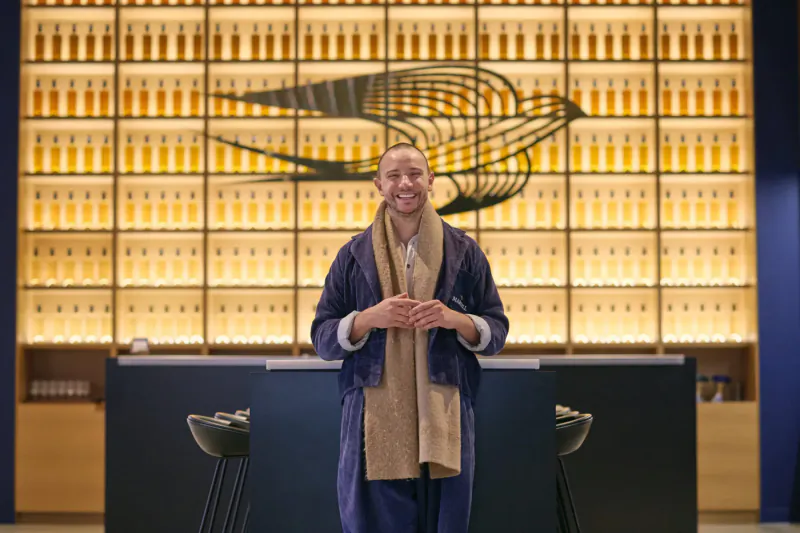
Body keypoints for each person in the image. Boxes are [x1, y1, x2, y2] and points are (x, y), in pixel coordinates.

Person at [310, 142, 508, 533]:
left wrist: (455, 319)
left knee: (444, 521)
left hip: (446, 408)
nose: (406, 183)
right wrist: (367, 319)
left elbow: (496, 331)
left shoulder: (465, 251)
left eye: (415, 174)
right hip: (371, 411)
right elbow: (323, 338)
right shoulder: (353, 255)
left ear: (431, 181)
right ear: (379, 185)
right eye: (394, 175)